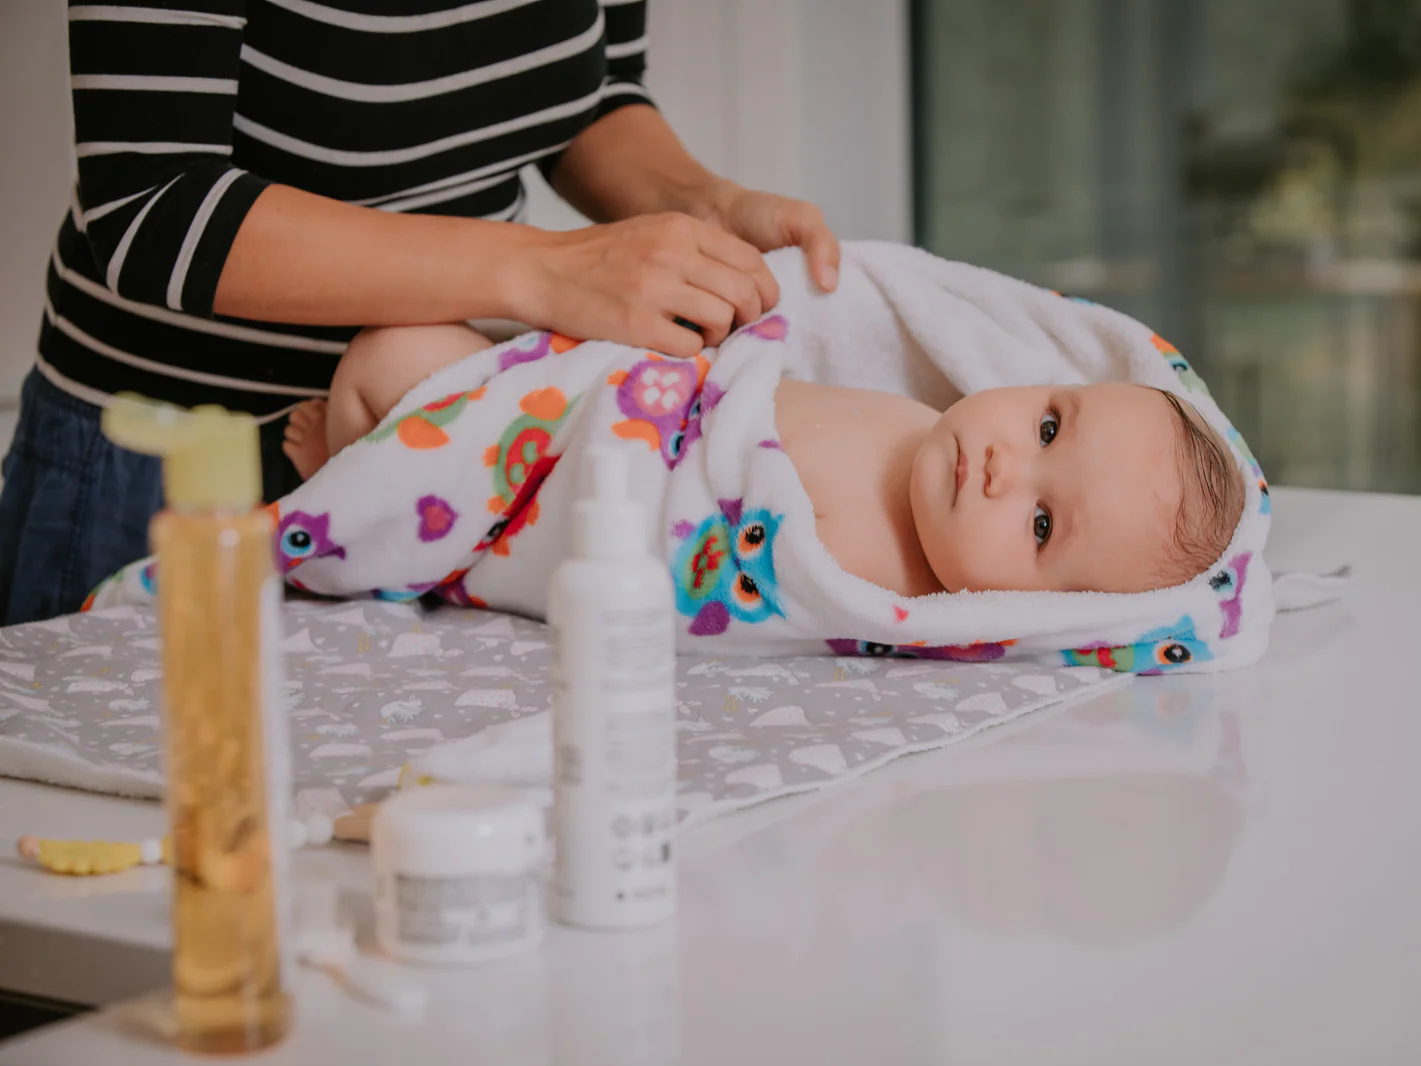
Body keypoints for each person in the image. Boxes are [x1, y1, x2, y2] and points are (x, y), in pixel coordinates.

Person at [0, 0, 839, 625]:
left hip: (439, 461)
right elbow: (152, 207)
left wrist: (704, 206)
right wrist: (548, 271)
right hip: (175, 475)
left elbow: (590, 90)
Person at [282, 321, 1245, 597]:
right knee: (404, 347)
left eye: (1039, 524)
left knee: (386, 367)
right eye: (1048, 429)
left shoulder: (880, 582)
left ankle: (361, 481)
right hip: (595, 404)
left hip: (559, 491)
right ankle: (376, 457)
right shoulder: (925, 422)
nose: (1004, 469)